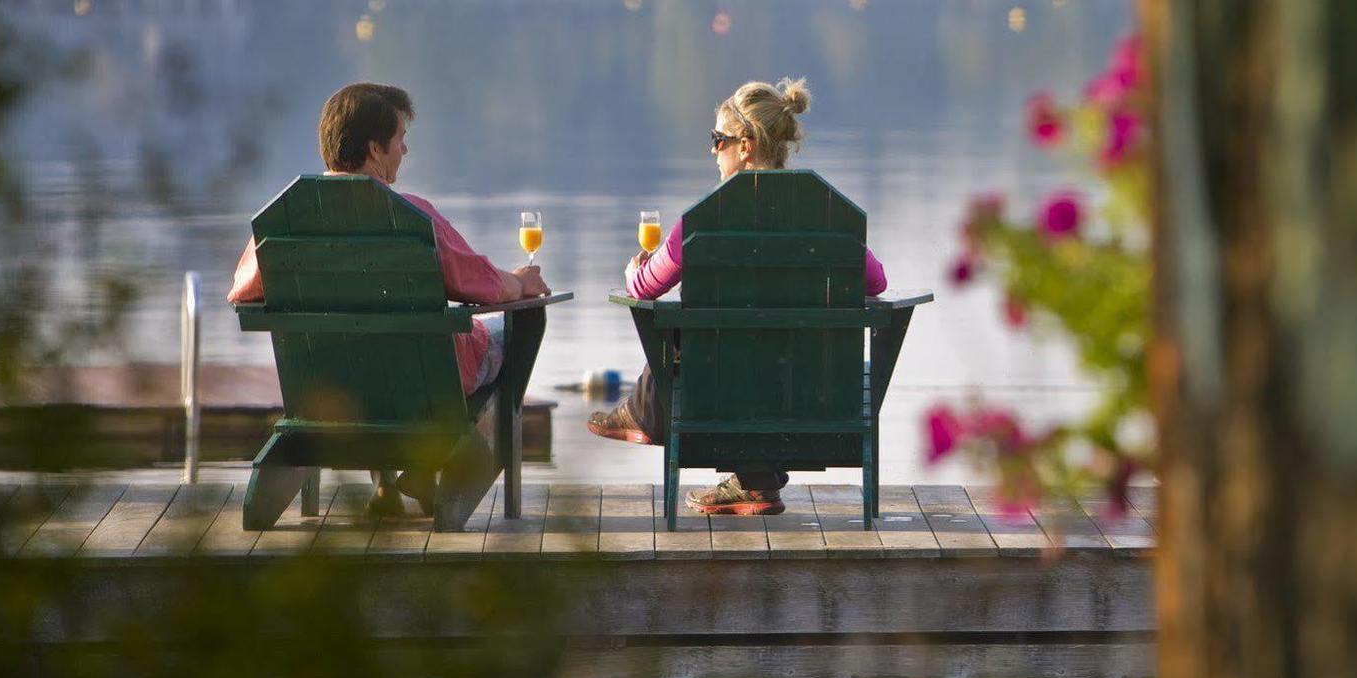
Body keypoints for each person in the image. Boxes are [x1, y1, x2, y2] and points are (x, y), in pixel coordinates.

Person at [227, 83, 551, 515]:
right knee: (520, 325)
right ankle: (437, 462)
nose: (404, 150)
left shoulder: (282, 223)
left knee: (368, 343)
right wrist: (520, 282)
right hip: (422, 386)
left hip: (329, 387)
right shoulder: (412, 219)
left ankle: (386, 489)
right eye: (400, 140)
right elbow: (480, 285)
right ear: (375, 149)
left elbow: (242, 290)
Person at [588, 77, 888, 516]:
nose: (712, 150)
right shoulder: (827, 214)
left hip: (719, 391)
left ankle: (644, 411)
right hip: (813, 391)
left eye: (718, 140)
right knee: (760, 355)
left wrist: (635, 270)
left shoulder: (704, 221)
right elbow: (877, 283)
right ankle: (756, 483)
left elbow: (646, 289)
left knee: (695, 337)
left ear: (745, 145)